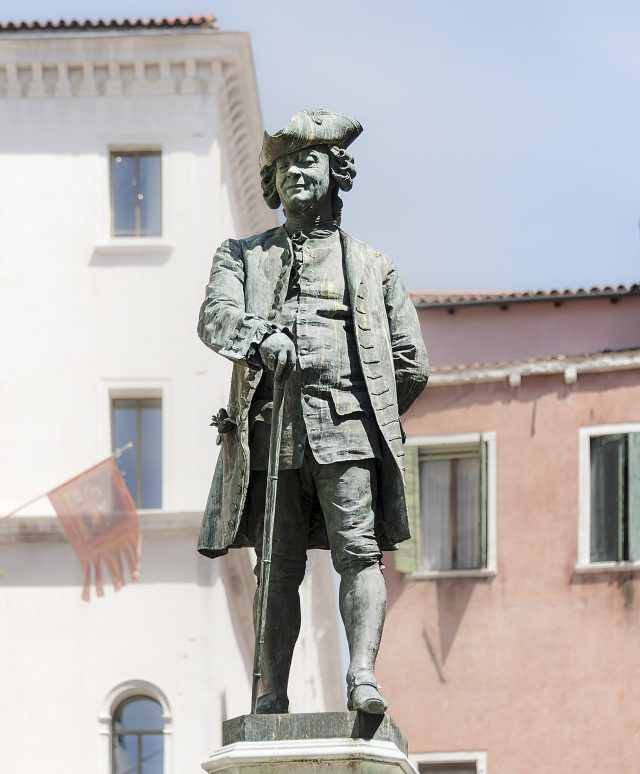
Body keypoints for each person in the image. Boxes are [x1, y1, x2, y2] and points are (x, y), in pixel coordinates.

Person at [197, 110, 428, 714]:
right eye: (283, 164)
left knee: (360, 553)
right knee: (275, 568)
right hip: (273, 435)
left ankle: (362, 678)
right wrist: (259, 338)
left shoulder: (374, 266)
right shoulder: (240, 257)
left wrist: (368, 409)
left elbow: (412, 362)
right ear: (272, 181)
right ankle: (270, 695)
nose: (296, 171)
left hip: (348, 432)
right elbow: (215, 319)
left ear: (335, 172)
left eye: (310, 159)